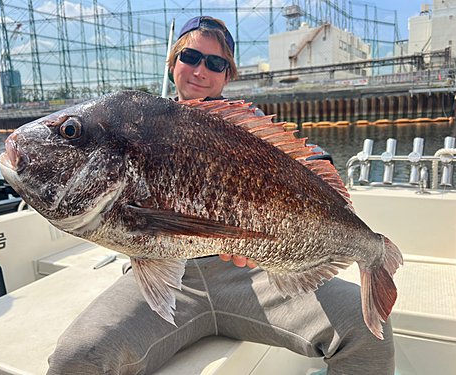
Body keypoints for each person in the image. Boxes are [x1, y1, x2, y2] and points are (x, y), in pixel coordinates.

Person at [47, 16, 395, 375]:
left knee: (366, 326)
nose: (200, 69)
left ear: (228, 75)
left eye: (215, 63)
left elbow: (317, 163)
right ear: (173, 63)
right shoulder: (134, 122)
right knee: (74, 359)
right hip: (166, 280)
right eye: (191, 56)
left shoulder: (246, 125)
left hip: (249, 277)